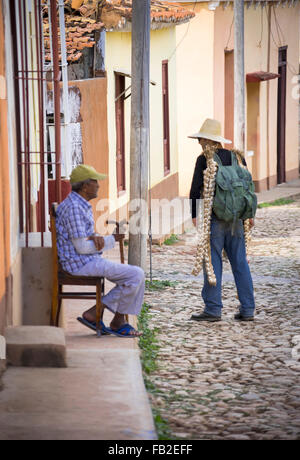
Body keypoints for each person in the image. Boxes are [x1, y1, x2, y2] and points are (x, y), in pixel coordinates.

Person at [55, 164, 144, 337]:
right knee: (135, 275)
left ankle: (96, 313)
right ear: (85, 186)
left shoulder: (79, 204)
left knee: (134, 275)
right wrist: (112, 239)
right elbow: (81, 247)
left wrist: (95, 236)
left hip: (85, 260)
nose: (99, 185)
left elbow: (82, 237)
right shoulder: (74, 207)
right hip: (79, 263)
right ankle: (116, 321)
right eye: (95, 182)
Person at [189, 118, 256, 322]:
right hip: (237, 219)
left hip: (214, 219)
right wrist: (250, 214)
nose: (199, 142)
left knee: (212, 262)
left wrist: (194, 215)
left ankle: (213, 309)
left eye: (200, 139)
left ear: (206, 140)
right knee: (240, 263)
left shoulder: (204, 159)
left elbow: (195, 190)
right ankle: (247, 309)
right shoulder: (237, 157)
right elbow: (248, 187)